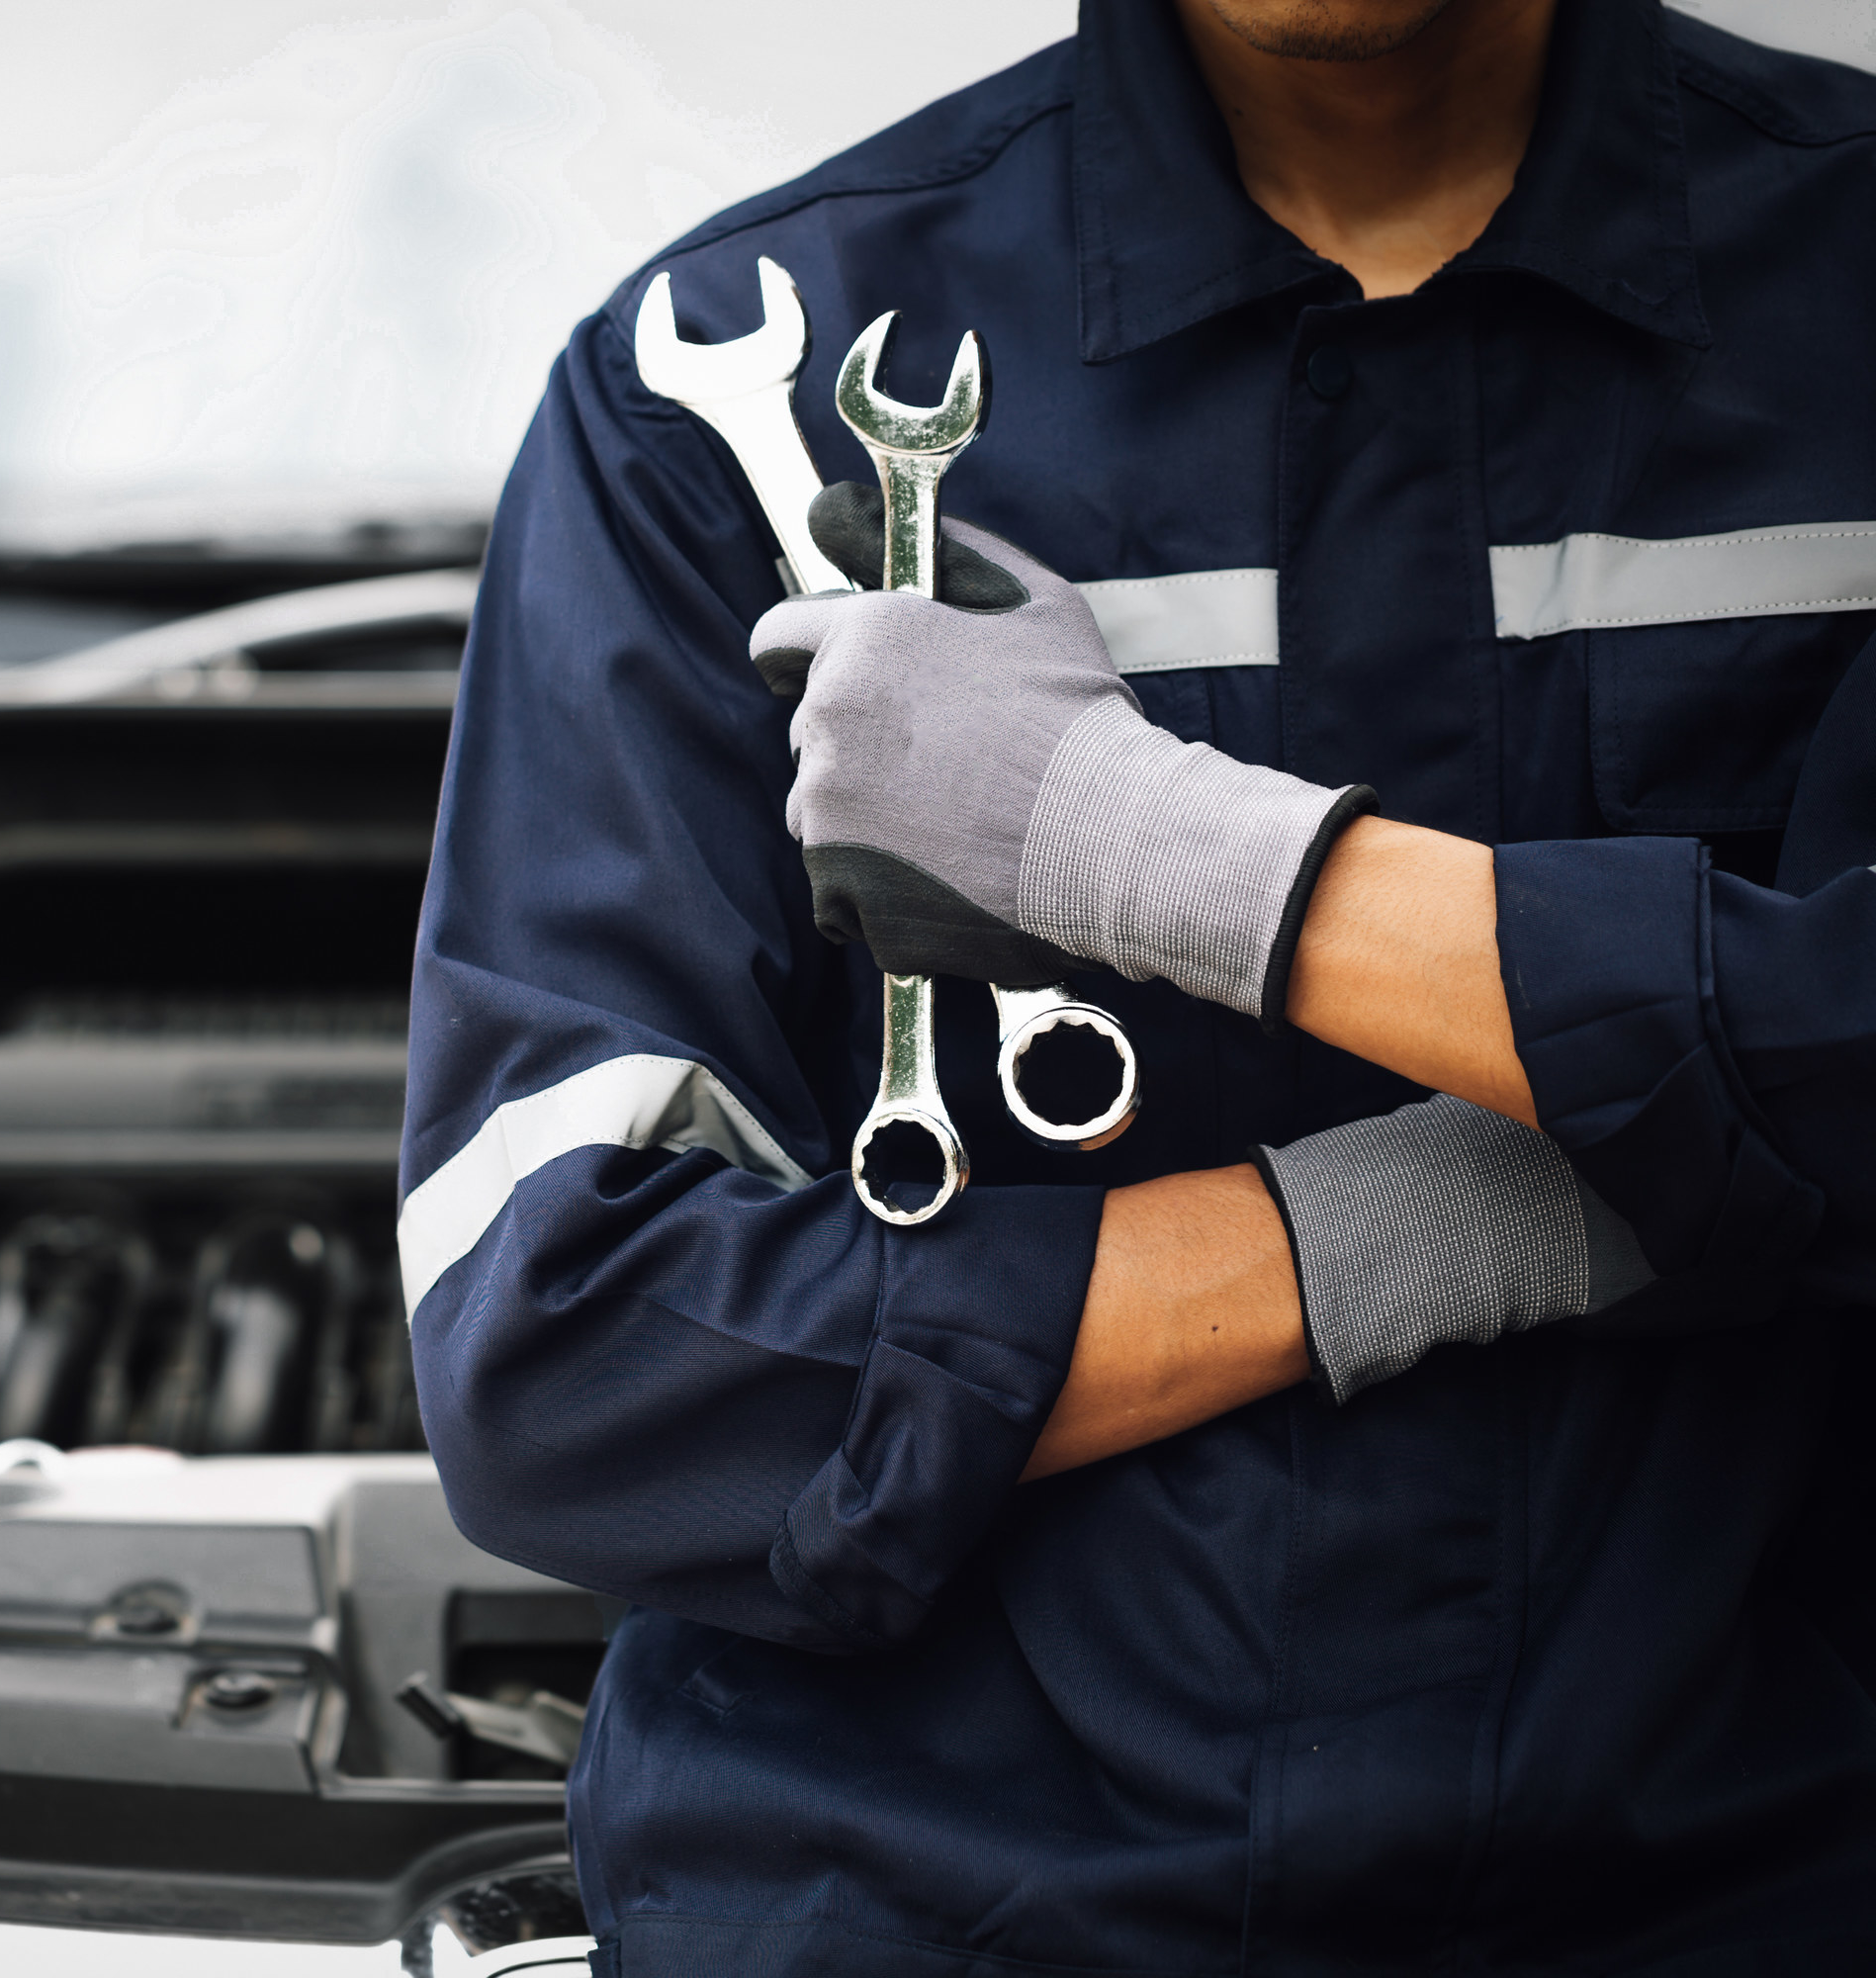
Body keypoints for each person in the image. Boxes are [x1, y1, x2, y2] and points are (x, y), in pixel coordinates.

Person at [398, 0, 1876, 1968]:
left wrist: (1129, 836)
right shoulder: (732, 408)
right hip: (935, 1914)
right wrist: (1487, 1204)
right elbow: (578, 1352)